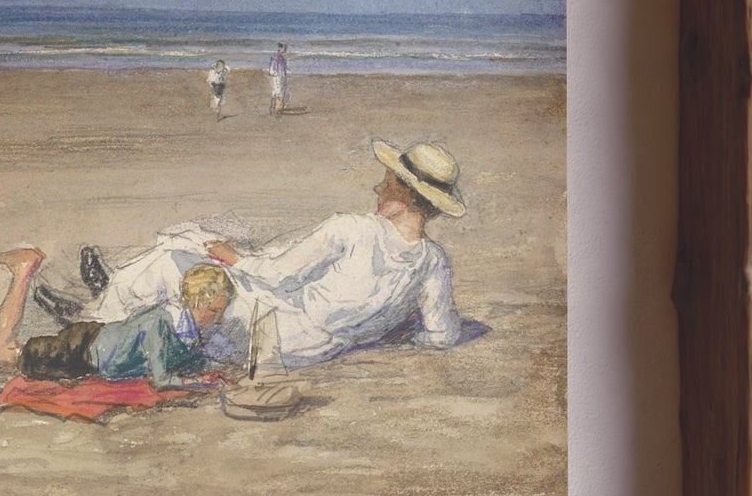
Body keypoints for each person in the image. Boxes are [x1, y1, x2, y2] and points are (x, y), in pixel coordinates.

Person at [40, 139, 466, 368]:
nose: (377, 188)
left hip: (267, 331)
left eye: (387, 183)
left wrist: (235, 258)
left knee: (175, 256)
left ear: (405, 196)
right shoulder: (433, 262)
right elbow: (441, 336)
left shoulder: (354, 227)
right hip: (311, 350)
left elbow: (279, 275)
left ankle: (92, 322)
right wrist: (387, 326)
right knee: (202, 261)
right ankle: (109, 295)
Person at [0, 248, 236, 387]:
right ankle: (23, 271)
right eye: (213, 311)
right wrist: (202, 382)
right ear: (194, 301)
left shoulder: (183, 323)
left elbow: (174, 357)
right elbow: (161, 378)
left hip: (90, 341)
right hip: (78, 353)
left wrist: (206, 366)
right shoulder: (163, 323)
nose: (217, 319)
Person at [267, 42, 289, 117]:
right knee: (279, 92)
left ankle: (273, 108)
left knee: (276, 92)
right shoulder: (279, 58)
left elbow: (272, 70)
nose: (285, 51)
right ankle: (276, 109)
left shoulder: (277, 58)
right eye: (284, 49)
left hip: (276, 76)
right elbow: (280, 70)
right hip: (278, 77)